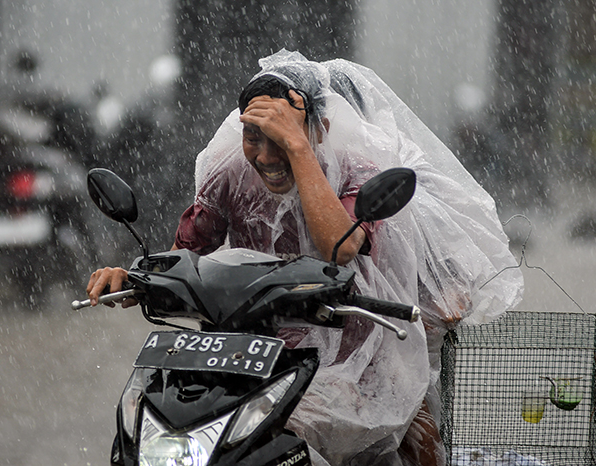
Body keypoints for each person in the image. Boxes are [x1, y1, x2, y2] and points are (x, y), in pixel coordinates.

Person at [87, 50, 523, 466]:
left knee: (417, 434)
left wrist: (298, 149)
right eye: (253, 136)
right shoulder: (230, 171)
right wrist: (132, 278)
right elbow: (184, 256)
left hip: (359, 345)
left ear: (322, 128)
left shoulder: (355, 171)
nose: (267, 155)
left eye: (282, 137)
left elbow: (341, 245)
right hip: (253, 349)